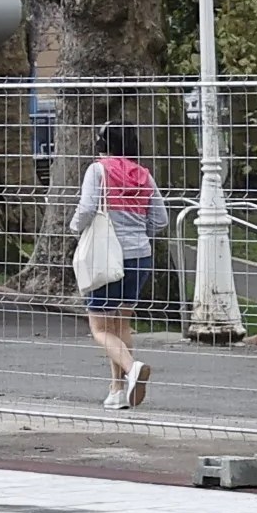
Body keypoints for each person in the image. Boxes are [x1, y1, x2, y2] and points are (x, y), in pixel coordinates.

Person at [75, 121, 166, 409]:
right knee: (121, 323)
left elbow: (87, 208)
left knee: (99, 327)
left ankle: (131, 367)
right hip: (140, 255)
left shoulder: (98, 170)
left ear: (103, 144)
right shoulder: (144, 175)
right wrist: (140, 235)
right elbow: (160, 219)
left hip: (106, 255)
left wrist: (74, 227)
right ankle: (117, 390)